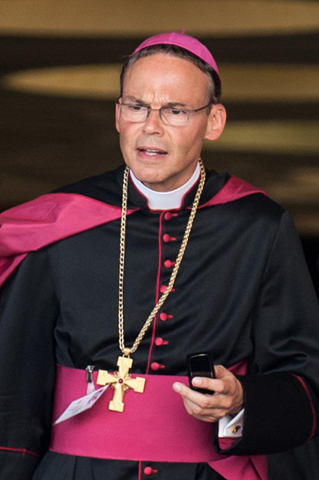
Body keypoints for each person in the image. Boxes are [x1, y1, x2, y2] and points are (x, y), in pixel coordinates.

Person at [0, 31, 319, 480]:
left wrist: (243, 399)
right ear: (117, 115)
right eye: (136, 106)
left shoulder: (259, 228)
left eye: (175, 110)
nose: (151, 126)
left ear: (213, 122)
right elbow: (12, 386)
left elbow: (305, 376)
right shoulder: (61, 222)